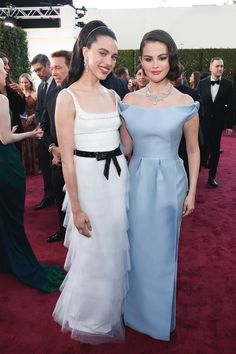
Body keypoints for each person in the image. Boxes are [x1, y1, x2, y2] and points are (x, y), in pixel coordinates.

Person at [52, 20, 130, 344]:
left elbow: (126, 143)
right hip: (87, 183)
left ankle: (109, 311)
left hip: (116, 181)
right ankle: (88, 319)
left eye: (113, 56)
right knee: (91, 251)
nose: (108, 61)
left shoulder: (114, 95)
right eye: (102, 52)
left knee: (113, 248)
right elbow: (67, 159)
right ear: (85, 51)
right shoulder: (66, 98)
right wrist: (78, 207)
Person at [119, 29, 200, 341]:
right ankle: (134, 311)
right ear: (140, 60)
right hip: (136, 178)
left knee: (163, 251)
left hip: (170, 180)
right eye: (148, 58)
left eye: (162, 58)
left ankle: (156, 320)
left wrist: (192, 192)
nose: (155, 65)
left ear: (171, 60)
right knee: (135, 248)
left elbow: (193, 151)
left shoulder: (185, 102)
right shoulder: (128, 101)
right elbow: (125, 146)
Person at [0, 58, 64, 292]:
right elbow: (6, 139)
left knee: (4, 216)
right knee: (13, 218)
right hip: (6, 163)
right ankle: (19, 261)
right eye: (2, 68)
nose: (6, 71)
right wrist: (29, 135)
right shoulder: (1, 98)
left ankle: (6, 259)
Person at [40, 50, 71, 243]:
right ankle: (63, 229)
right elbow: (44, 125)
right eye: (52, 68)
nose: (54, 72)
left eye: (58, 68)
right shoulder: (51, 94)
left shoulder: (80, 94)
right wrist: (52, 148)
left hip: (80, 160)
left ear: (71, 67)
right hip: (57, 159)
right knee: (59, 197)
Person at [197, 57, 234, 187]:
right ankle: (196, 175)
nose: (220, 69)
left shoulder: (228, 84)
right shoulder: (201, 83)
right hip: (203, 123)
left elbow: (231, 106)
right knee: (201, 149)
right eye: (217, 66)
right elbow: (196, 103)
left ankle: (212, 177)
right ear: (211, 68)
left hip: (218, 124)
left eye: (222, 66)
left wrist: (229, 125)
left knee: (215, 150)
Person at [31, 54, 56, 209]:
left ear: (48, 65)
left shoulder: (60, 84)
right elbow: (39, 110)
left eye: (40, 69)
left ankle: (61, 196)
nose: (38, 73)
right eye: (35, 71)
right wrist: (38, 124)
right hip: (43, 135)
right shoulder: (41, 86)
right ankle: (48, 196)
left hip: (56, 134)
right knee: (46, 167)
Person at [0, 52, 25, 152]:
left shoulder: (11, 87)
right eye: (5, 64)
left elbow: (21, 109)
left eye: (8, 64)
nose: (8, 67)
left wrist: (21, 93)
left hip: (16, 134)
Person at [19, 73, 40, 174]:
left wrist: (33, 116)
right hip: (23, 122)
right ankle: (26, 168)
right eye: (22, 82)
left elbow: (40, 109)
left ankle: (36, 167)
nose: (24, 84)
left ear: (30, 83)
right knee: (24, 144)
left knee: (34, 143)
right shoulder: (19, 94)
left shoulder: (35, 94)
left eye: (26, 82)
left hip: (33, 122)